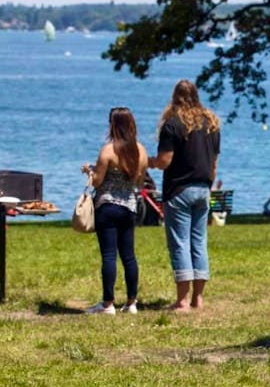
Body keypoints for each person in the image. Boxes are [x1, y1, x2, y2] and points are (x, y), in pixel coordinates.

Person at [148, 79, 221, 312]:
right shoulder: (211, 123)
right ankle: (198, 299)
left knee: (180, 243)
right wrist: (208, 184)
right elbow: (214, 163)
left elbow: (164, 161)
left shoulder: (172, 124)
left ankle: (182, 300)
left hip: (179, 190)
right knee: (199, 242)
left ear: (175, 97)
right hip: (202, 188)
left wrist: (147, 162)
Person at [81, 107, 147, 315]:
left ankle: (108, 303)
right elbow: (139, 180)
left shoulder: (108, 151)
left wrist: (89, 172)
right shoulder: (141, 151)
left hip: (107, 206)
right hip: (129, 207)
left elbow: (98, 181)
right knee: (129, 256)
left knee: (109, 255)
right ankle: (132, 302)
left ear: (113, 125)